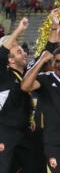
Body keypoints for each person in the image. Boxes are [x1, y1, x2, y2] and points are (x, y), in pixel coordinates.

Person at [0, 18, 36, 172]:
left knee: (35, 166)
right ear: (10, 59)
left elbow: (43, 62)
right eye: (18, 50)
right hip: (4, 131)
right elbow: (1, 55)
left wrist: (54, 30)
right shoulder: (3, 74)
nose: (24, 53)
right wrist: (19, 30)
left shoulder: (25, 75)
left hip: (24, 132)